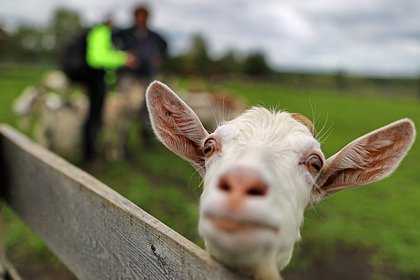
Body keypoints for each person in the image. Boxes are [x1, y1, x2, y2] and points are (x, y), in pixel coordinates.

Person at [61, 18, 136, 163]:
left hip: (92, 78)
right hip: (93, 79)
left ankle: (91, 150)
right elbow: (97, 58)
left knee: (93, 116)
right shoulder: (101, 31)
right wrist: (124, 58)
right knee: (94, 117)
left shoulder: (96, 31)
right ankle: (89, 155)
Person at [113, 4, 168, 148]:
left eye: (144, 16)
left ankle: (146, 139)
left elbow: (165, 47)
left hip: (146, 77)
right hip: (127, 77)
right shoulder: (123, 34)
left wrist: (159, 58)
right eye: (139, 16)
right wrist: (122, 57)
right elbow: (111, 43)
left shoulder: (154, 37)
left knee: (147, 109)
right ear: (135, 17)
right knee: (124, 107)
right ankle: (120, 141)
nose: (141, 19)